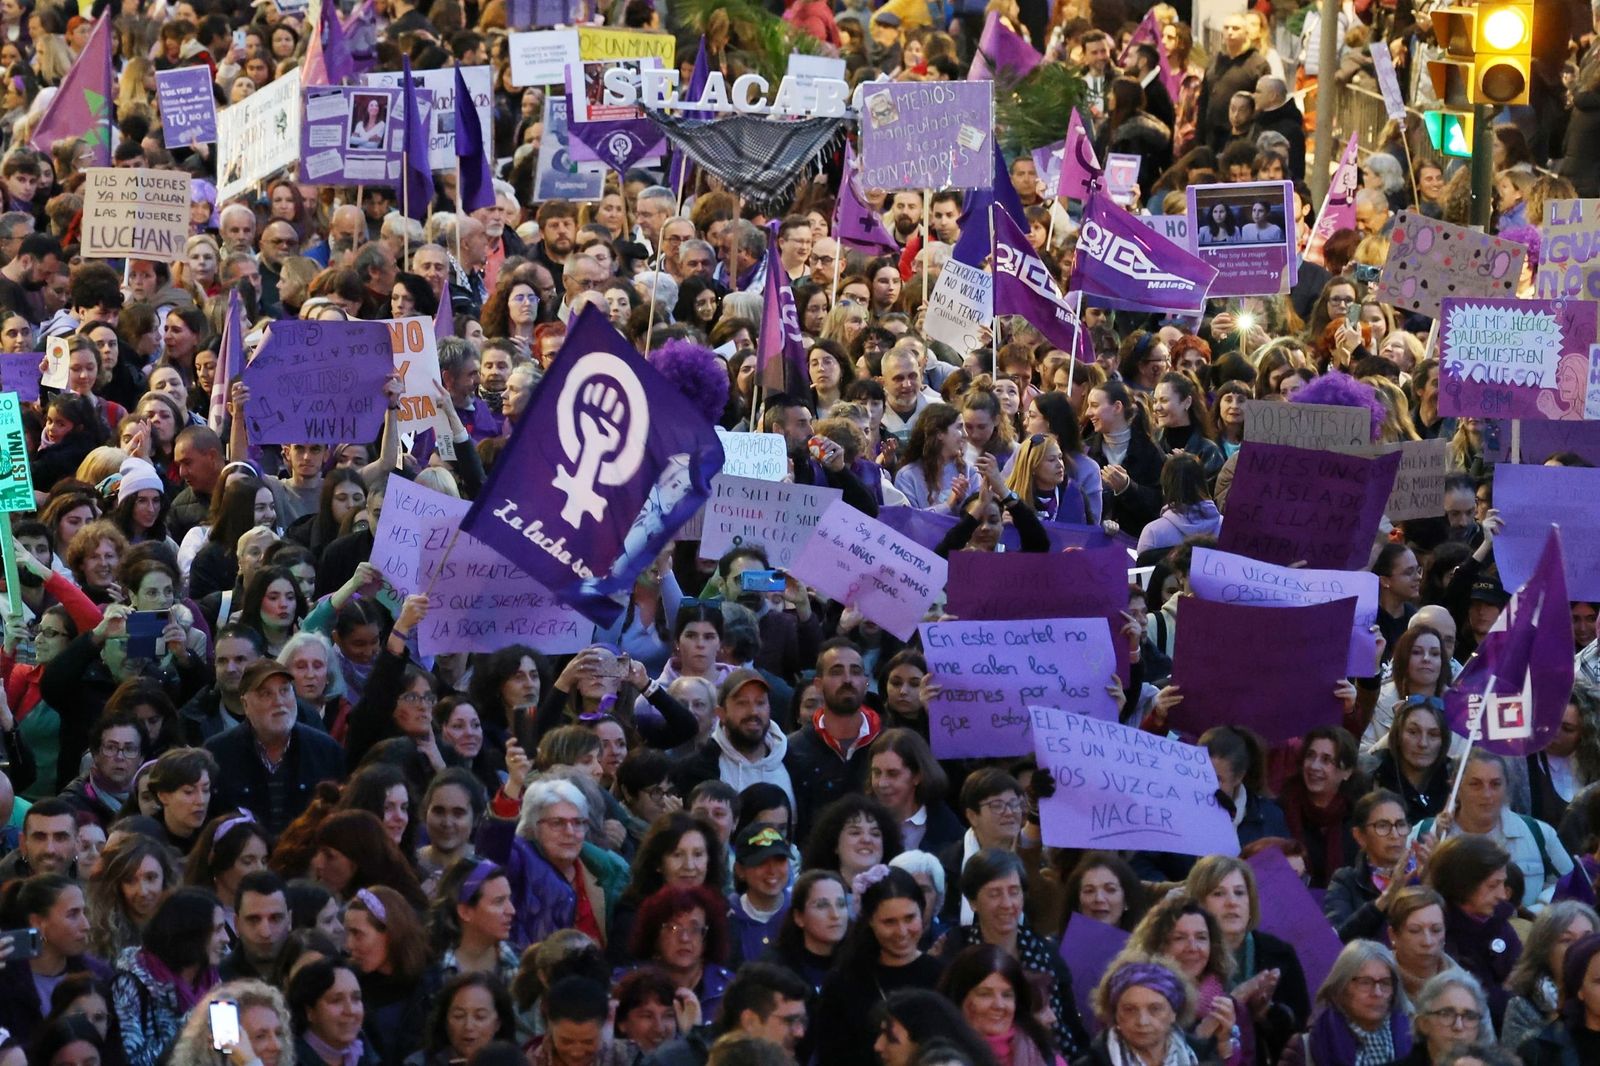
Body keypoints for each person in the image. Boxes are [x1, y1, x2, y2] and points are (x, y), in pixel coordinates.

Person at [814, 867, 946, 1066]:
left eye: (909, 918)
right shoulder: (843, 982)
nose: (902, 932)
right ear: (870, 922)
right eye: (889, 922)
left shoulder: (944, 975)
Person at [1277, 941, 1413, 1066]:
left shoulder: (1415, 1037)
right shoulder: (1305, 1048)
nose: (1377, 993)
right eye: (1365, 982)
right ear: (1341, 988)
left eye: (1385, 983)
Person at [1076, 952, 1220, 1066]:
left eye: (1155, 1009)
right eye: (1130, 1009)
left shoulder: (1204, 1059)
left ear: (1174, 1012)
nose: (1142, 1021)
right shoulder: (1090, 1063)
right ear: (1115, 1014)